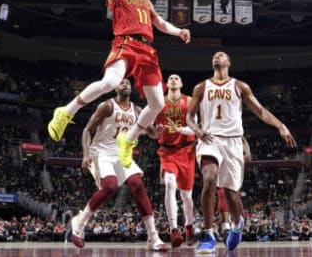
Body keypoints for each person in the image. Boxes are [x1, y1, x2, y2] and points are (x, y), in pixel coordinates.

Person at [46, 0, 190, 143]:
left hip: (148, 52)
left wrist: (178, 31)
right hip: (127, 42)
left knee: (158, 104)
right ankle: (67, 111)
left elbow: (159, 23)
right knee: (111, 83)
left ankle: (129, 139)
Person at [185, 51, 297, 253]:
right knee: (209, 179)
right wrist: (198, 131)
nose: (216, 57)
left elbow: (261, 111)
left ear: (228, 62)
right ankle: (208, 234)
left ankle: (237, 224)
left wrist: (281, 126)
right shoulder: (201, 87)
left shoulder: (239, 86)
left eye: (221, 55)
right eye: (214, 56)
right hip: (210, 139)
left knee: (231, 195)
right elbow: (189, 117)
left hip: (234, 142)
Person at [68, 79, 169, 251]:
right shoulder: (107, 106)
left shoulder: (137, 110)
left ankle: (153, 237)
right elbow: (87, 130)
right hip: (101, 152)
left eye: (128, 83)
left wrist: (156, 132)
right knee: (111, 186)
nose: (125, 85)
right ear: (115, 87)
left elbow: (150, 132)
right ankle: (80, 221)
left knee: (137, 184)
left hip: (122, 154)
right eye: (121, 83)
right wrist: (85, 155)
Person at [145, 74, 197, 247]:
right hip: (167, 151)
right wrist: (155, 133)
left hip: (187, 150)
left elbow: (195, 129)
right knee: (169, 183)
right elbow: (149, 128)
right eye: (171, 78)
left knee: (187, 196)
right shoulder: (158, 103)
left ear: (181, 83)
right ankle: (174, 229)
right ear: (167, 84)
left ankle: (189, 225)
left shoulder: (189, 101)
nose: (173, 79)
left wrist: (179, 129)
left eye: (177, 78)